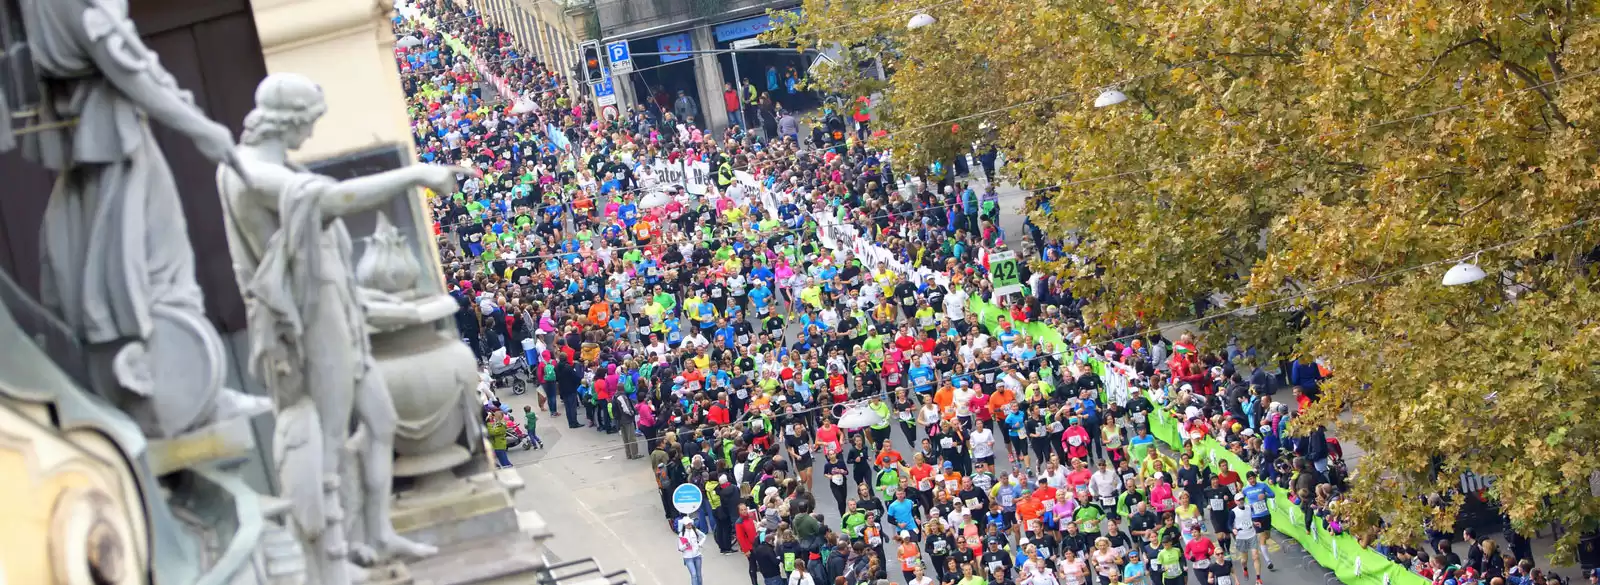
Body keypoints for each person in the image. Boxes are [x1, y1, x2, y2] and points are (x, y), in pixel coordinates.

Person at [678, 518, 708, 585]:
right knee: (693, 574)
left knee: (699, 574)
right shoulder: (681, 534)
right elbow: (680, 548)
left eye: (690, 523)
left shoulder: (695, 530)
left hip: (697, 555)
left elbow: (704, 536)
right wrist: (686, 545)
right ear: (684, 525)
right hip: (688, 557)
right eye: (687, 524)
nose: (689, 525)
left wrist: (700, 544)